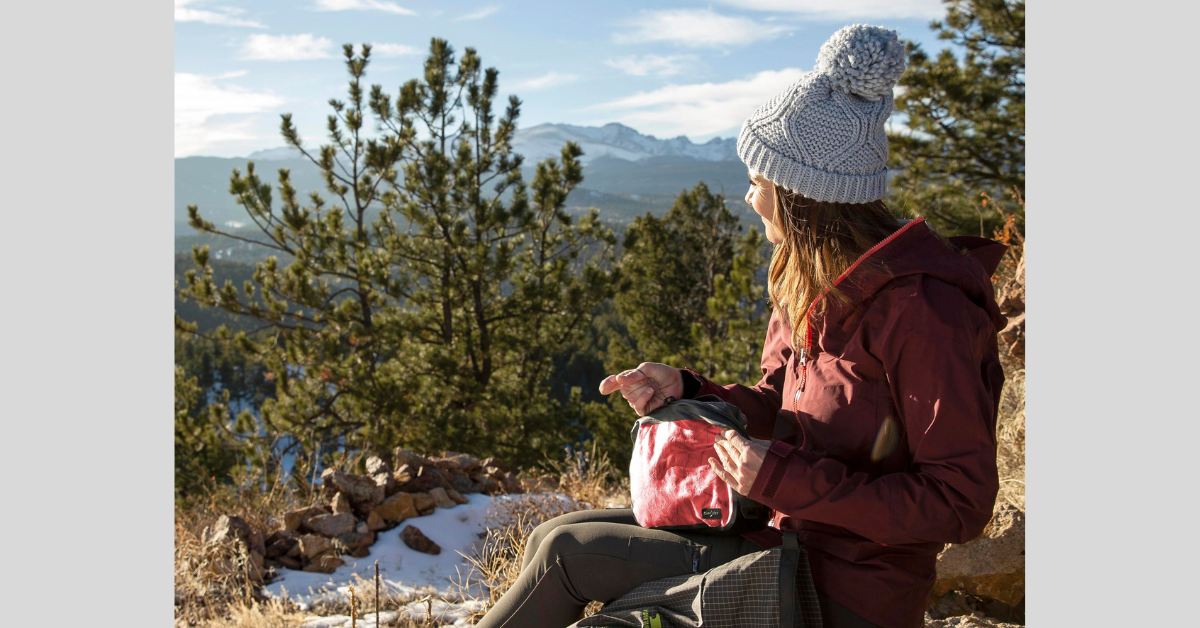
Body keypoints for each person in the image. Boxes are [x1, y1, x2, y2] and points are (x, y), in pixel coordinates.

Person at [473, 24, 1007, 628]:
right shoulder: (806, 283)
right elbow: (779, 406)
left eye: (759, 182)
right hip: (779, 539)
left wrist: (786, 478)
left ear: (806, 197)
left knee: (568, 557)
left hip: (846, 591)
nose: (750, 199)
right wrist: (693, 394)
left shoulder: (923, 311)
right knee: (554, 532)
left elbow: (958, 504)